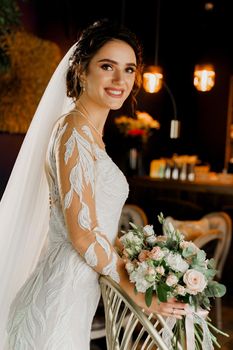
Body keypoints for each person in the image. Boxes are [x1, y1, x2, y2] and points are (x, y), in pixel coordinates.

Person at [0, 19, 187, 349]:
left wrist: (143, 265)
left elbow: (98, 229)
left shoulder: (88, 135)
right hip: (55, 305)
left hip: (73, 304)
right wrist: (139, 292)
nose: (120, 80)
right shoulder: (73, 132)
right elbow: (83, 233)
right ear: (82, 72)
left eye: (129, 69)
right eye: (107, 66)